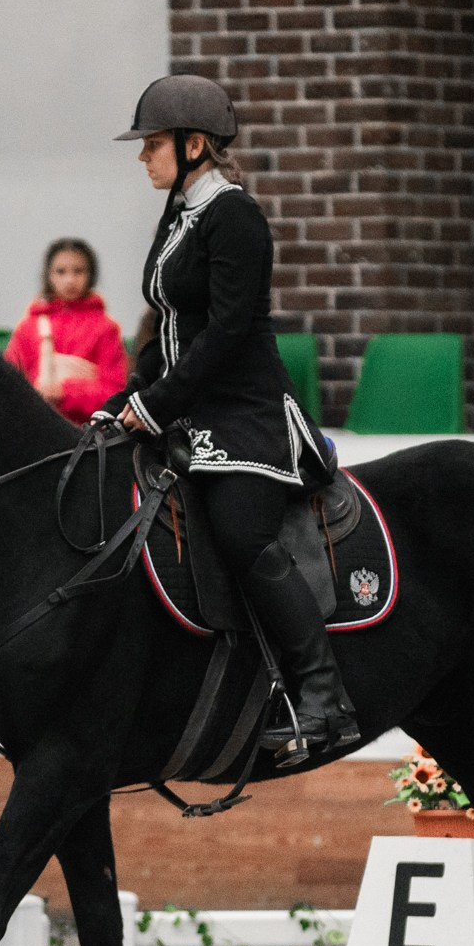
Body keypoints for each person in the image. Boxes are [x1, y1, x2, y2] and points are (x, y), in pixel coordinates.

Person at [99, 74, 359, 763]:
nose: (143, 157)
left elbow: (227, 333)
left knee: (241, 532)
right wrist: (130, 395)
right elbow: (168, 328)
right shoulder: (179, 216)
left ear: (193, 145)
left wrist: (157, 405)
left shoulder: (235, 217)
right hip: (187, 407)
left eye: (152, 144)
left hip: (246, 417)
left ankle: (321, 695)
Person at [3, 239, 128, 424]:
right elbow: (8, 383)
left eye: (78, 271)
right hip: (35, 427)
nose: (70, 280)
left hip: (86, 435)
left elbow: (115, 393)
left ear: (91, 275)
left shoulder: (106, 329)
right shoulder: (28, 328)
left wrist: (65, 392)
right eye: (60, 272)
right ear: (49, 276)